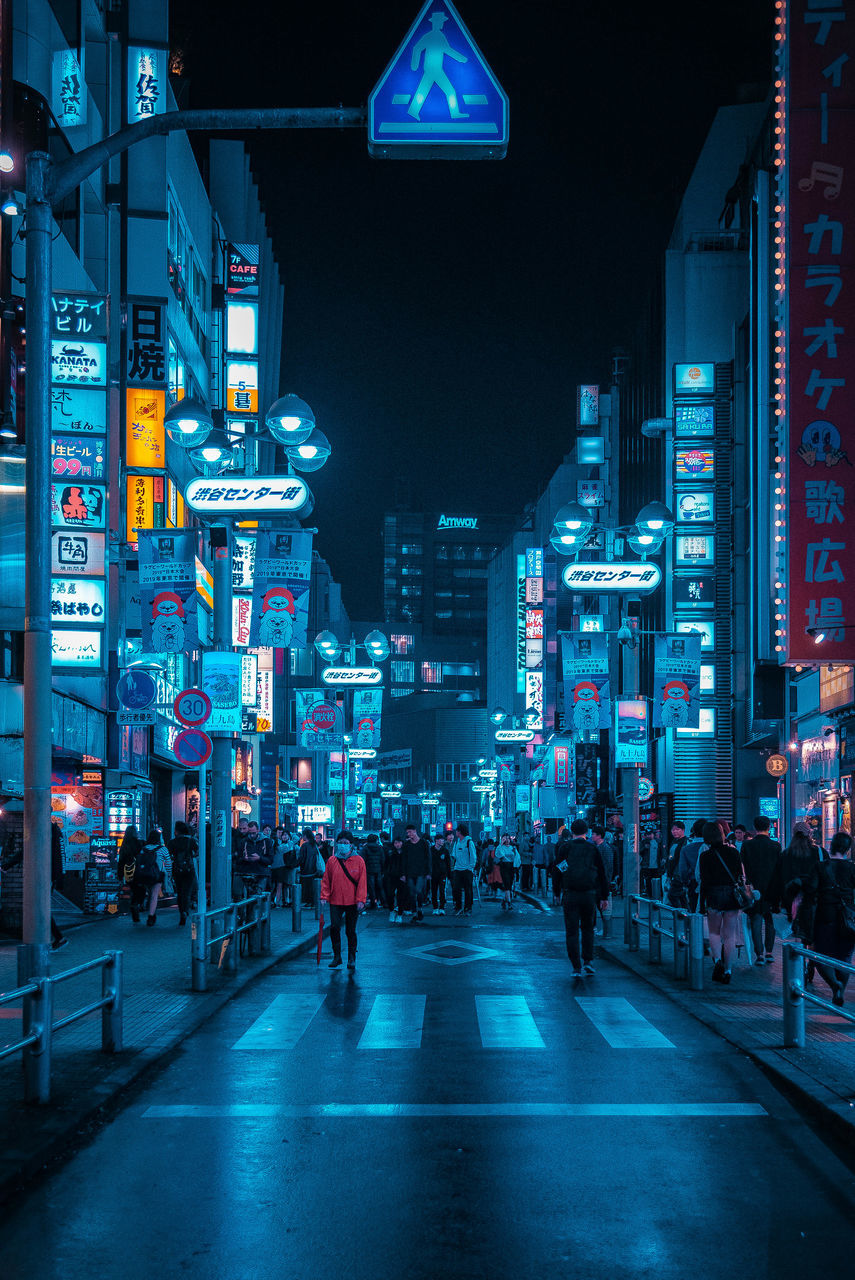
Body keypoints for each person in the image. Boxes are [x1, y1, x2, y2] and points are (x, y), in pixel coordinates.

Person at [556, 819, 609, 978]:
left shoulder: (565, 847)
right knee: (587, 929)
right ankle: (588, 961)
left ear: (572, 831)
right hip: (589, 894)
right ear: (586, 832)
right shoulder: (592, 848)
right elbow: (601, 873)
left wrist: (557, 891)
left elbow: (558, 868)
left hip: (570, 893)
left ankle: (576, 967)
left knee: (571, 931)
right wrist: (604, 896)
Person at [811, 832, 855, 1007]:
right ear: (847, 849)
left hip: (825, 915)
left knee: (820, 955)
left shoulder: (820, 867)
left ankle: (834, 985)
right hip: (849, 917)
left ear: (831, 846)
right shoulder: (852, 868)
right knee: (844, 957)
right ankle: (840, 989)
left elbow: (811, 891)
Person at [698, 821, 744, 983]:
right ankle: (729, 970)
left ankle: (717, 960)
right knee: (729, 935)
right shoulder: (734, 853)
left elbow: (704, 880)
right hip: (731, 894)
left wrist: (702, 901)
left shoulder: (705, 856)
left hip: (714, 894)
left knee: (714, 932)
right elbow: (740, 875)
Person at [320, 830, 367, 971]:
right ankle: (337, 956)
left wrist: (361, 900)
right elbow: (326, 880)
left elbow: (362, 882)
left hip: (352, 902)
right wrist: (324, 896)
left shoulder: (359, 861)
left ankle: (352, 957)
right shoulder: (332, 861)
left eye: (346, 843)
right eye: (340, 843)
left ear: (351, 845)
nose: (343, 846)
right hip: (335, 900)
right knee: (334, 927)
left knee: (350, 930)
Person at [770, 821, 821, 943]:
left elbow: (777, 879)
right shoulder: (818, 852)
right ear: (809, 834)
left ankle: (798, 958)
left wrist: (775, 903)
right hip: (813, 899)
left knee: (797, 933)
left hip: (790, 899)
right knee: (812, 933)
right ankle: (811, 959)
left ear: (793, 834)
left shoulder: (785, 854)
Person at [741, 815, 782, 964]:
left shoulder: (747, 845)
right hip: (772, 887)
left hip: (753, 888)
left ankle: (759, 954)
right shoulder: (776, 846)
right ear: (769, 827)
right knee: (770, 920)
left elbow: (742, 866)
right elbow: (779, 869)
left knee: (756, 920)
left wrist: (747, 884)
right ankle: (769, 952)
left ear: (755, 827)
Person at [168, 820, 198, 926]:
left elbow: (169, 856)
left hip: (177, 869)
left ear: (176, 831)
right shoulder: (191, 841)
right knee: (187, 891)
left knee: (180, 892)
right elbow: (197, 852)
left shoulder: (172, 842)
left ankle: (182, 912)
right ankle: (186, 910)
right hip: (189, 869)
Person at [137, 828, 168, 926]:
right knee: (154, 895)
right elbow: (168, 863)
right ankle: (151, 916)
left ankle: (146, 907)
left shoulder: (144, 848)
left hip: (144, 874)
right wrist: (170, 875)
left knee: (149, 892)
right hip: (157, 874)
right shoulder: (163, 849)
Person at [118, 823, 145, 923]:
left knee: (133, 889)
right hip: (139, 871)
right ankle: (136, 905)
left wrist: (120, 875)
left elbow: (121, 861)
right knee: (140, 890)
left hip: (128, 872)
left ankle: (135, 906)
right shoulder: (139, 843)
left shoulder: (124, 845)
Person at [234, 820, 273, 888]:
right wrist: (244, 858)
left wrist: (259, 858)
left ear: (258, 830)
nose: (252, 835)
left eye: (254, 833)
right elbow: (238, 859)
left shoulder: (267, 841)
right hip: (246, 873)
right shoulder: (244, 841)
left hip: (261, 873)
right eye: (250, 833)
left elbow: (270, 860)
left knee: (259, 894)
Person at [403, 823, 430, 921]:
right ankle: (415, 912)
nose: (409, 834)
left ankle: (419, 909)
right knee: (411, 893)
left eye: (410, 832)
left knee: (418, 891)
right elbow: (404, 859)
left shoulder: (424, 843)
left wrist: (428, 872)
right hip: (409, 872)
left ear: (415, 831)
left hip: (421, 872)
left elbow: (428, 858)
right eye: (407, 833)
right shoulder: (406, 845)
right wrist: (403, 874)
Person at [449, 822, 477, 915]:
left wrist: (470, 868)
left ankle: (468, 908)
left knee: (468, 889)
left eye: (456, 831)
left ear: (459, 832)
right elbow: (454, 854)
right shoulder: (457, 842)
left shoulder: (469, 842)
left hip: (467, 870)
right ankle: (458, 907)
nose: (455, 833)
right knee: (456, 889)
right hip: (457, 869)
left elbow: (473, 856)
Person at [49, 821, 68, 951]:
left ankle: (58, 937)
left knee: (41, 909)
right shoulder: (55, 830)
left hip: (45, 876)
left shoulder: (46, 830)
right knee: (43, 909)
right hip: (51, 876)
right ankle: (57, 937)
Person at [384, 834, 407, 923]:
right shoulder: (390, 853)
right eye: (396, 843)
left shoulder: (405, 853)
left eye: (399, 843)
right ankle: (392, 911)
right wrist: (386, 873)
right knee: (390, 894)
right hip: (391, 876)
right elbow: (385, 864)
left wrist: (405, 875)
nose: (397, 845)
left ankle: (400, 914)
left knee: (401, 896)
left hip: (402, 877)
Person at [362, 832, 385, 909]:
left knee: (371, 887)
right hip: (378, 870)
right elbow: (383, 860)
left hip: (369, 870)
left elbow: (362, 860)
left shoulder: (365, 848)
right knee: (380, 886)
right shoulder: (380, 848)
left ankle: (373, 903)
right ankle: (384, 902)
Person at [430, 831, 451, 913]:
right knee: (434, 891)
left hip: (442, 874)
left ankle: (442, 907)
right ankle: (435, 908)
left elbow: (448, 863)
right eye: (441, 840)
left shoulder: (445, 851)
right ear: (436, 841)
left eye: (443, 840)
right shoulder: (430, 850)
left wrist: (449, 875)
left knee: (442, 890)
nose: (442, 841)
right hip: (433, 874)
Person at [496, 833, 516, 911]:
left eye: (508, 838)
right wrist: (501, 844)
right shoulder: (501, 848)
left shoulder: (512, 847)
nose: (507, 840)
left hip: (511, 867)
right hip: (504, 867)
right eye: (504, 838)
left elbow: (516, 858)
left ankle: (504, 901)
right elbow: (498, 854)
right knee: (507, 884)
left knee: (510, 885)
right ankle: (509, 902)